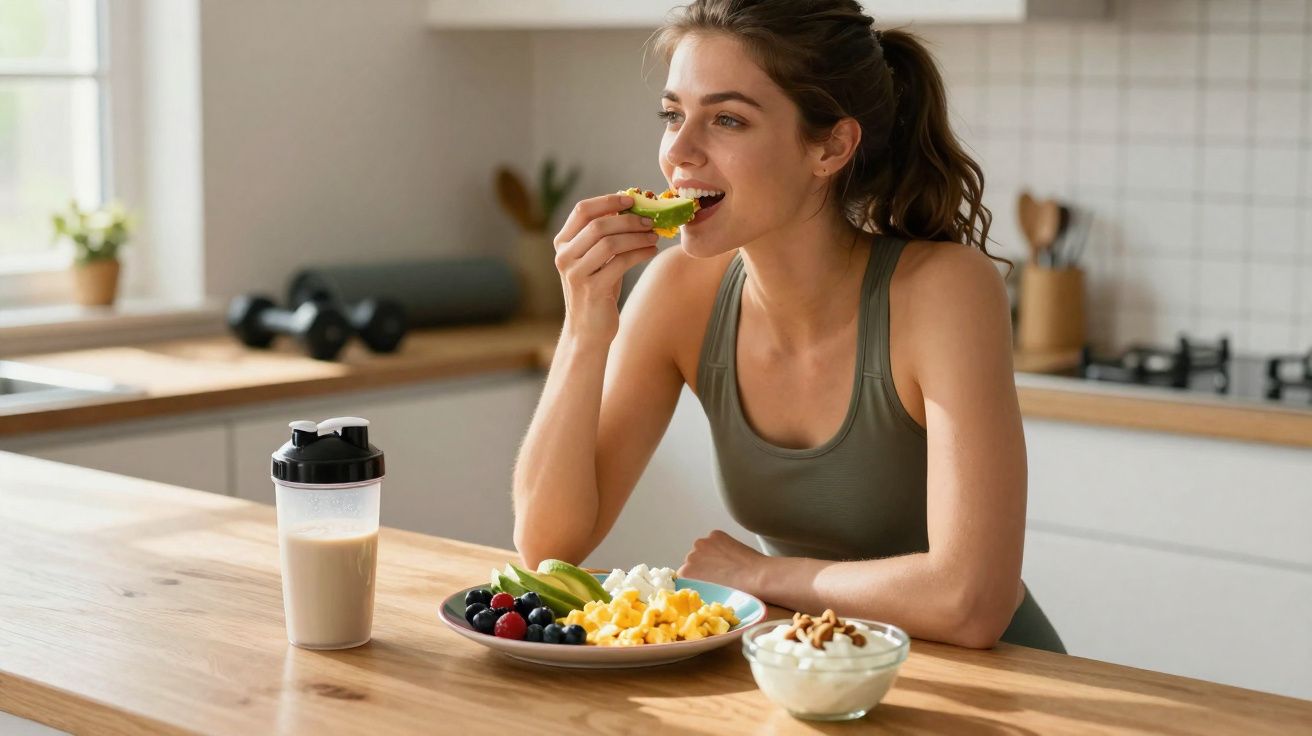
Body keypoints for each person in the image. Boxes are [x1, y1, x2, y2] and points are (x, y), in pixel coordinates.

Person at [511, 0, 1064, 652]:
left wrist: (761, 575)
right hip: (813, 672)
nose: (679, 152)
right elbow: (548, 546)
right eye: (672, 115)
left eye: (727, 119)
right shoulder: (679, 291)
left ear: (830, 146)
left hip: (995, 685)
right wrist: (584, 325)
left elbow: (971, 602)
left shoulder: (944, 290)